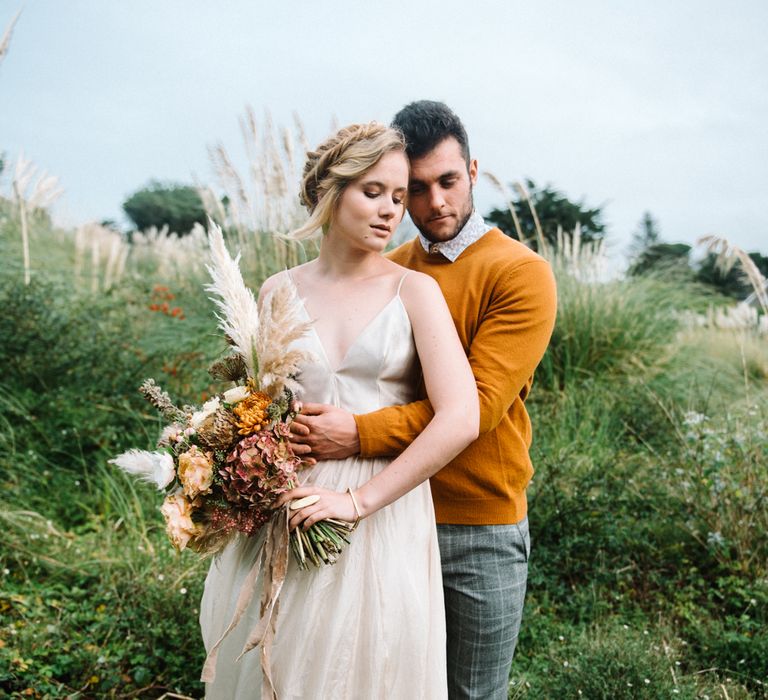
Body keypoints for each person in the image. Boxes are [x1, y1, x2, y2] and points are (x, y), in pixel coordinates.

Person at [199, 122, 479, 699]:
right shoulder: (278, 289)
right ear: (329, 192)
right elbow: (256, 408)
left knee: (369, 665)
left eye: (399, 198)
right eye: (372, 192)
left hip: (381, 514)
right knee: (282, 668)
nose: (390, 212)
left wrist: (356, 503)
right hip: (288, 507)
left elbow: (461, 416)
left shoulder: (415, 291)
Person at [289, 101, 558, 699]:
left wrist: (357, 433)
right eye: (414, 189)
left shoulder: (520, 272)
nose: (434, 203)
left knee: (471, 694)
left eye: (448, 181)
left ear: (474, 172)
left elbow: (479, 406)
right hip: (388, 516)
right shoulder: (387, 264)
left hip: (475, 525)